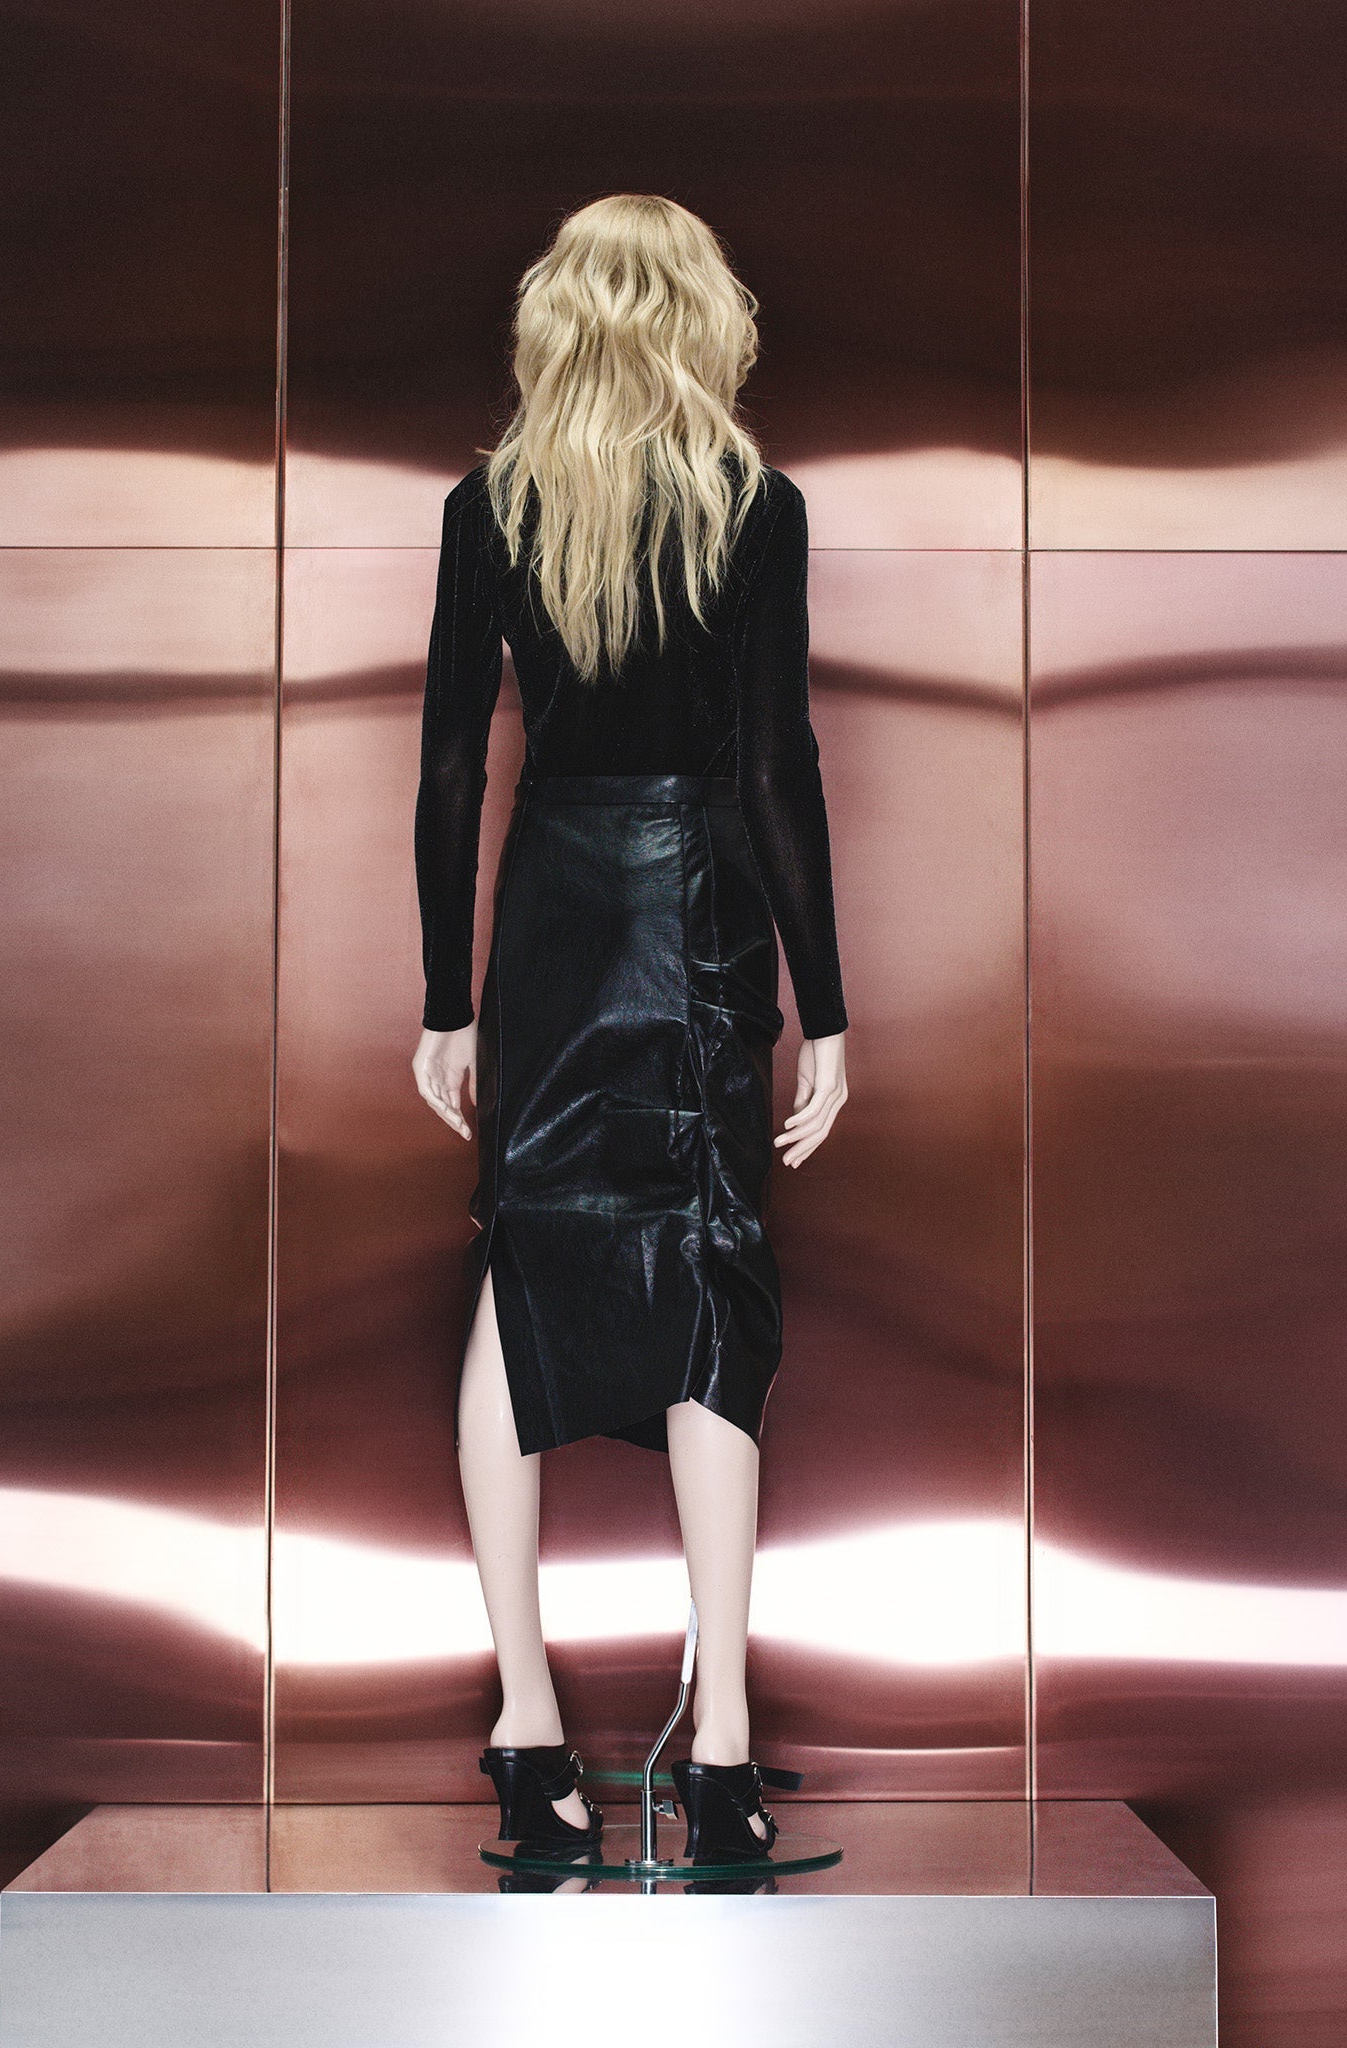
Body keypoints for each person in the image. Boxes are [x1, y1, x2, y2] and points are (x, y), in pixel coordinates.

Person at [411, 193, 848, 1863]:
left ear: (558, 317)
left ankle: (526, 1734)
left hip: (550, 914)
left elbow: (453, 765)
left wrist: (448, 998)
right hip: (698, 912)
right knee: (712, 1269)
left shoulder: (491, 504)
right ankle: (719, 1751)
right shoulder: (752, 504)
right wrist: (823, 1009)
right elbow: (774, 767)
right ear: (698, 317)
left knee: (518, 1262)